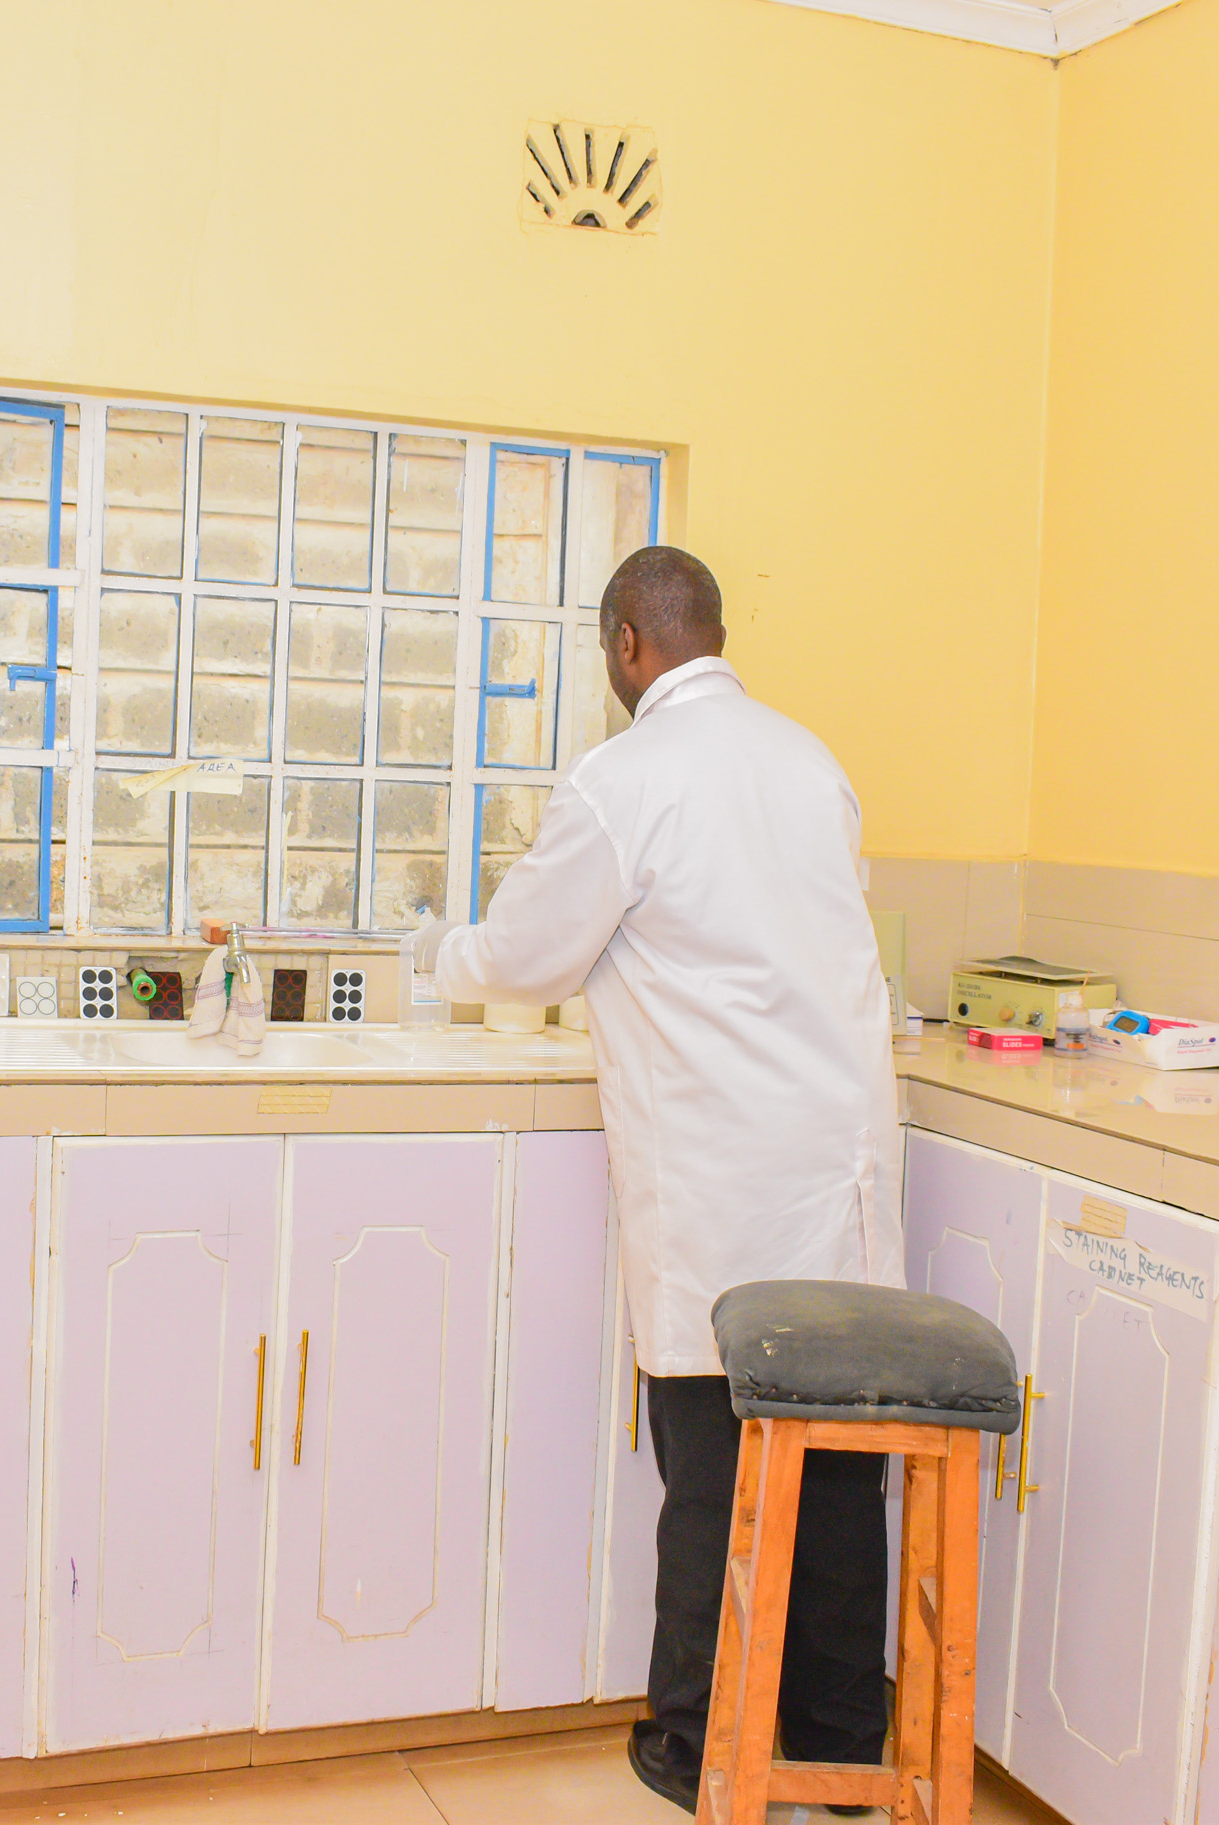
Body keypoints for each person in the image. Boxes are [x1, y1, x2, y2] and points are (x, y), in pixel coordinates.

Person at [419, 545, 903, 1812]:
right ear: (715, 633)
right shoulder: (811, 761)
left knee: (713, 1474)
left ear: (625, 644)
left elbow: (525, 956)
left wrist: (437, 954)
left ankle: (695, 1745)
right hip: (838, 1171)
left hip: (719, 1184)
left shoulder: (623, 777)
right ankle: (844, 1746)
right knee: (836, 1471)